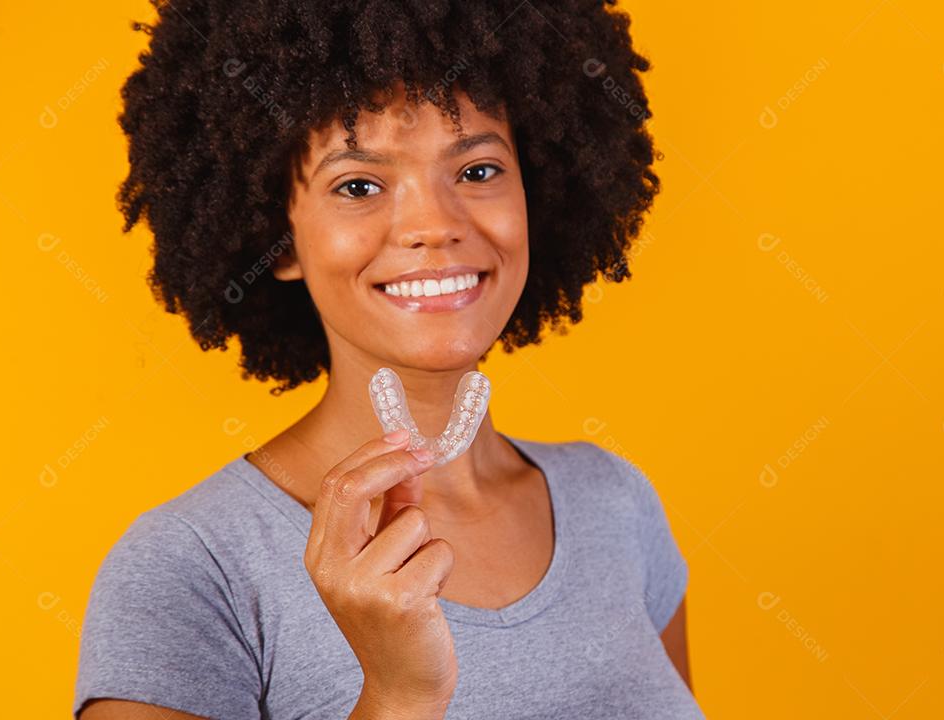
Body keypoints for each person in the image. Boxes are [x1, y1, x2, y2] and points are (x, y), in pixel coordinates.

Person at [75, 1, 702, 717]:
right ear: (276, 239)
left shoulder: (614, 504)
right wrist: (398, 695)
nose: (435, 227)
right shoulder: (188, 570)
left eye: (477, 170)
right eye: (359, 186)